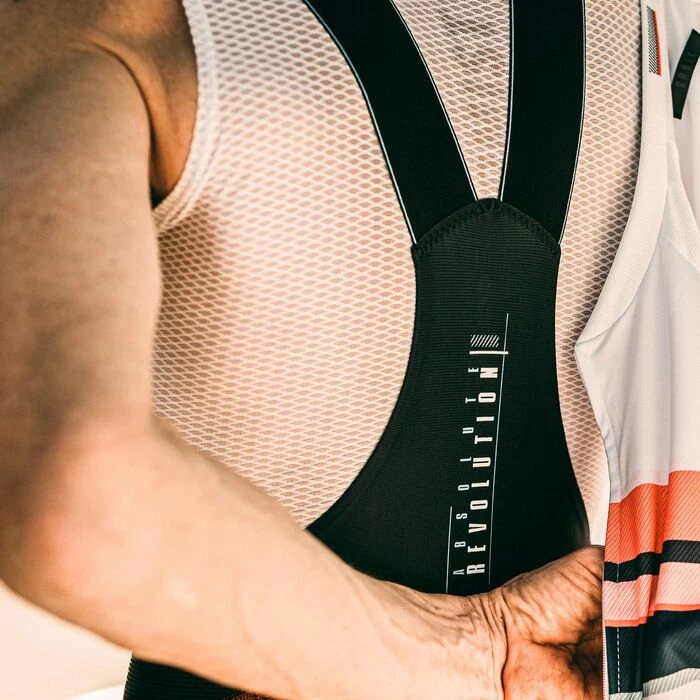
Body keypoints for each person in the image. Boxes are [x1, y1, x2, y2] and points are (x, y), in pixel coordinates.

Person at [0, 0, 642, 697]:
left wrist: (478, 654)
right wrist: (483, 653)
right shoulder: (656, 25)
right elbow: (79, 499)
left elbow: (83, 503)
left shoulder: (106, 18)